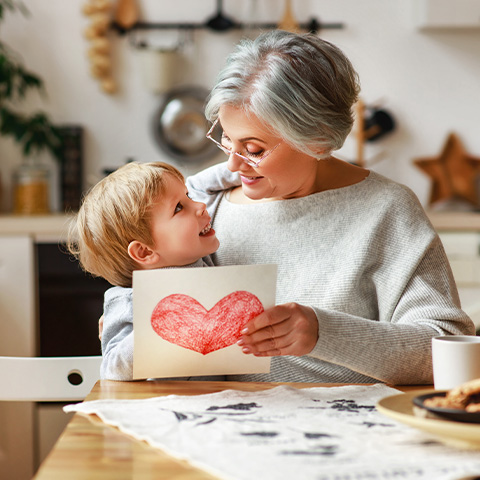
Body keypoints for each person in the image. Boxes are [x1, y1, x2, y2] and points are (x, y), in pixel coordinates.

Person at [186, 29, 475, 385]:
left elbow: (444, 350)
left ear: (318, 139)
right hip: (214, 428)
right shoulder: (200, 207)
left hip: (352, 431)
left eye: (255, 150)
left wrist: (324, 333)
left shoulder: (386, 210)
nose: (233, 165)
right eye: (227, 140)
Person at [68, 161, 220, 380]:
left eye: (189, 196)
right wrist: (164, 327)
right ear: (145, 251)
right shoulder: (127, 300)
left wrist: (244, 165)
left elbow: (204, 183)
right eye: (179, 207)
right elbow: (112, 367)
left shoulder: (199, 259)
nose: (201, 205)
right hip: (161, 410)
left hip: (219, 406)